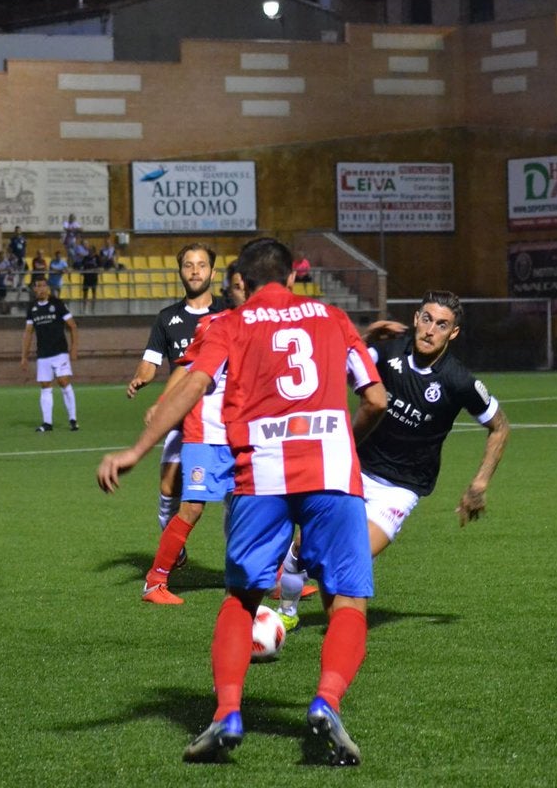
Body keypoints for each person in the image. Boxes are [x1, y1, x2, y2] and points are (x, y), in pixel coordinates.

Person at [99, 237, 387, 766]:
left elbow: (190, 385)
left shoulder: (229, 323)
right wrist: (344, 442)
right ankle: (326, 702)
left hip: (262, 474)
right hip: (331, 470)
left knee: (241, 599)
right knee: (346, 600)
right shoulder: (332, 317)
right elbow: (375, 399)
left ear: (242, 283)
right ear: (293, 276)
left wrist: (139, 449)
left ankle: (227, 713)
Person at [277, 291, 510, 627]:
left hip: (400, 489)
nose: (431, 330)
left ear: (453, 333)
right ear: (416, 318)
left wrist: (480, 483)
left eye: (442, 325)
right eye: (427, 319)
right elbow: (331, 368)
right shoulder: (386, 353)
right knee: (302, 548)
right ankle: (285, 614)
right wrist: (366, 337)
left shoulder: (459, 381)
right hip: (354, 471)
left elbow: (500, 427)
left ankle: (339, 634)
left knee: (347, 557)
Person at [139, 263, 246, 605]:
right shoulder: (214, 323)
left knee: (254, 506)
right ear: (233, 290)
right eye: (242, 286)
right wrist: (163, 403)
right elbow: (187, 367)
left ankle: (271, 577)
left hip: (238, 436)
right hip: (204, 433)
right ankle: (155, 582)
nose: (248, 292)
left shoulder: (264, 329)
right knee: (192, 508)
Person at [125, 243, 224, 564]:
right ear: (180, 272)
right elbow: (151, 362)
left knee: (243, 495)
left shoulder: (227, 313)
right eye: (189, 265)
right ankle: (173, 545)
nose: (195, 270)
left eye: (202, 265)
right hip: (183, 415)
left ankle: (266, 566)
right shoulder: (167, 318)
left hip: (224, 415)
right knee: (169, 485)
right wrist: (141, 378)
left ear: (213, 271)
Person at [20, 275, 79, 432]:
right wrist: (24, 356)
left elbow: (72, 326)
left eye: (43, 285)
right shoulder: (32, 308)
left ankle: (73, 419)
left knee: (63, 381)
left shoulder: (57, 304)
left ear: (47, 288)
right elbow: (28, 333)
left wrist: (74, 348)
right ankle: (47, 423)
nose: (40, 289)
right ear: (34, 289)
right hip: (43, 354)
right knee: (45, 386)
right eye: (37, 286)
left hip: (60, 351)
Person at [79, 247, 100, 312]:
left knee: (94, 293)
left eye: (91, 251)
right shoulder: (86, 258)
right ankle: (84, 309)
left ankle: (93, 309)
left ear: (94, 251)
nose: (89, 252)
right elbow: (82, 266)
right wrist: (82, 271)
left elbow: (101, 268)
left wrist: (93, 270)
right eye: (89, 251)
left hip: (94, 278)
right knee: (85, 294)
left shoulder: (97, 258)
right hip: (86, 278)